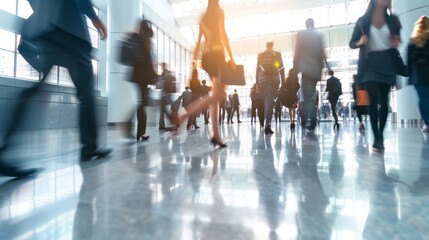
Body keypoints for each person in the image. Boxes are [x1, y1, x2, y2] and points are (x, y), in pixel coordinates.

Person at [0, 0, 112, 178]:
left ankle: (4, 150)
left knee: (32, 91)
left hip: (46, 29)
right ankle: (90, 147)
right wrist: (94, 18)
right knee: (86, 94)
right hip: (71, 31)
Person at [174, 0, 235, 148]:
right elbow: (223, 33)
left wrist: (194, 59)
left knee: (214, 97)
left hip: (206, 58)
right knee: (216, 95)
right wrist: (231, 57)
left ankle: (216, 135)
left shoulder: (203, 17)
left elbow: (199, 41)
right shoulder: (219, 12)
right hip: (217, 56)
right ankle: (184, 115)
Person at [349, 0, 402, 151]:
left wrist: (395, 42)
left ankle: (380, 136)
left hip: (387, 65)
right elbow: (352, 42)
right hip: (369, 66)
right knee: (372, 101)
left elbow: (397, 41)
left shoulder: (392, 20)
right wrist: (360, 41)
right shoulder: (363, 20)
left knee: (384, 102)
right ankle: (377, 139)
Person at [293, 18, 329, 131]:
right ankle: (311, 122)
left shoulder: (301, 35)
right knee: (310, 96)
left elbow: (298, 52)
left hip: (306, 70)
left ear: (306, 24)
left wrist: (295, 69)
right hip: (315, 71)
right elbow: (322, 53)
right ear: (313, 24)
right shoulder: (319, 35)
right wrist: (326, 66)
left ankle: (306, 121)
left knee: (307, 97)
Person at [124, 19, 156, 142]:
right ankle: (135, 128)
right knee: (142, 103)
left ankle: (138, 131)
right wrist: (153, 75)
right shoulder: (146, 38)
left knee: (141, 102)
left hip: (137, 75)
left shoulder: (136, 38)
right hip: (144, 76)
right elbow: (148, 58)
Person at [256, 42, 285, 134]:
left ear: (266, 46)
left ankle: (266, 124)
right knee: (269, 102)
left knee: (267, 102)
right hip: (272, 80)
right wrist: (283, 82)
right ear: (272, 46)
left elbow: (257, 69)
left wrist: (257, 83)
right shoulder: (277, 54)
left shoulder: (261, 55)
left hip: (262, 80)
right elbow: (281, 68)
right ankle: (267, 125)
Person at [407, 16, 429, 133]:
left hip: (417, 76)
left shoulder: (413, 41)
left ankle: (426, 123)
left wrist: (410, 76)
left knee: (422, 99)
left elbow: (409, 61)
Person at [158, 62, 175, 130]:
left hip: (166, 94)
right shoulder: (166, 73)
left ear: (163, 66)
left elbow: (162, 84)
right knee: (163, 109)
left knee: (164, 109)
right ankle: (162, 124)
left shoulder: (165, 73)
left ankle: (172, 121)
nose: (161, 67)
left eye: (162, 66)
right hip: (165, 94)